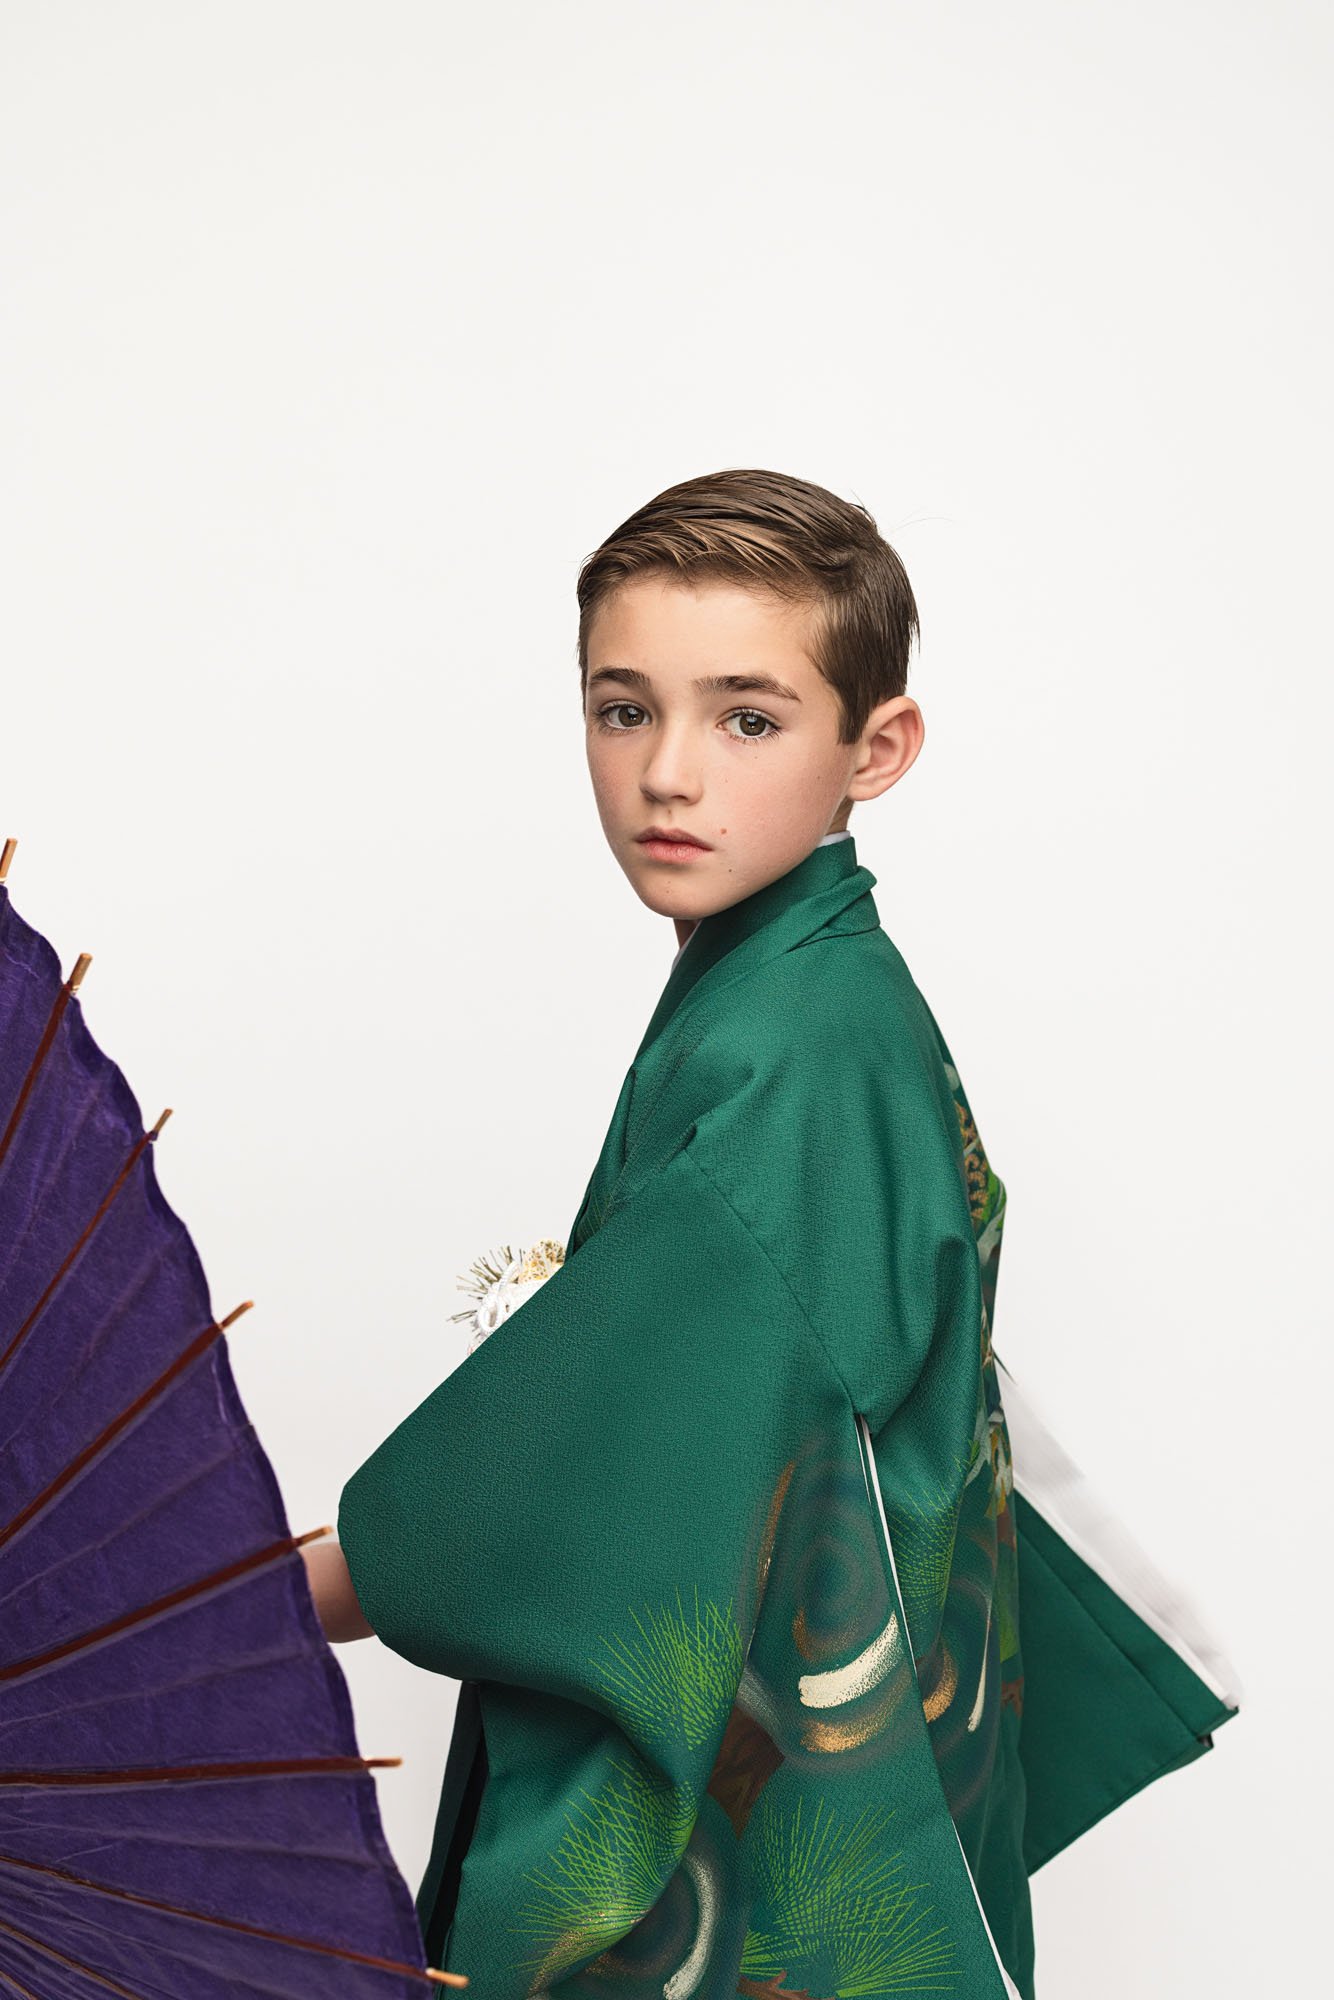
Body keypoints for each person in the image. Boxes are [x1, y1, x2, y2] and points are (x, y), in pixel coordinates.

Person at [305, 469, 1239, 2000]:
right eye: (622, 710)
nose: (668, 774)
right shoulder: (800, 990)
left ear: (876, 747)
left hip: (766, 1820)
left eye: (746, 718)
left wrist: (244, 1599)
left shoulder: (797, 1043)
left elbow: (597, 1459)